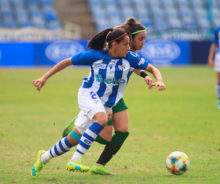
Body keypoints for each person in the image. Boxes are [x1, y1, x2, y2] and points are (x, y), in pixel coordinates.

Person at [31, 27, 166, 177]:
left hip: (106, 104)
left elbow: (153, 68)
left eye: (129, 44)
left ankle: (43, 158)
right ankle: (75, 160)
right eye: (125, 44)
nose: (129, 48)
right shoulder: (95, 55)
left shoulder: (130, 57)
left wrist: (158, 80)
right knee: (101, 119)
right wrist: (44, 78)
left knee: (73, 139)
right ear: (114, 44)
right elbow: (67, 62)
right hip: (88, 94)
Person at [61, 18, 157, 175]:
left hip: (115, 95)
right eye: (141, 39)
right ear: (129, 38)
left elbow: (133, 66)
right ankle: (75, 131)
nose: (144, 42)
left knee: (123, 131)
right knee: (105, 136)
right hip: (104, 93)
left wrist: (145, 76)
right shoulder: (118, 46)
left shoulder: (128, 52)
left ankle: (99, 164)